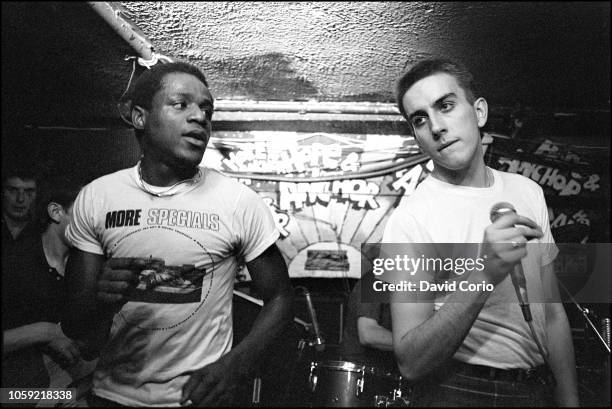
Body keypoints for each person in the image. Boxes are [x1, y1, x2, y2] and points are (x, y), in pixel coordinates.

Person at [61, 61, 294, 407]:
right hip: (111, 396)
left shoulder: (237, 201)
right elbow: (75, 326)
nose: (200, 116)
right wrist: (100, 297)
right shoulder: (98, 197)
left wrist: (235, 366)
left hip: (194, 400)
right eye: (181, 104)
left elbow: (281, 298)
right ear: (140, 117)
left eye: (206, 108)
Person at [383, 58, 579, 406]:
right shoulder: (410, 219)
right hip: (456, 389)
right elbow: (410, 361)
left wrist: (569, 399)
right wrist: (485, 272)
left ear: (479, 112)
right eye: (420, 119)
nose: (437, 127)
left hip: (534, 389)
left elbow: (552, 314)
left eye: (445, 105)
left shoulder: (527, 192)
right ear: (417, 137)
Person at [2, 179, 82, 391]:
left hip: (62, 383)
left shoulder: (85, 266)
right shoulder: (14, 262)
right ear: (56, 212)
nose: (96, 222)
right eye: (87, 212)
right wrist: (44, 332)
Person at [340, 272, 394, 372]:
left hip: (392, 370)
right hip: (362, 373)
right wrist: (414, 345)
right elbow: (368, 334)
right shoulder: (374, 279)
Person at [1, 165, 39, 252]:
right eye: (13, 190)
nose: (20, 199)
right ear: (2, 192)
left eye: (29, 192)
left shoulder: (43, 232)